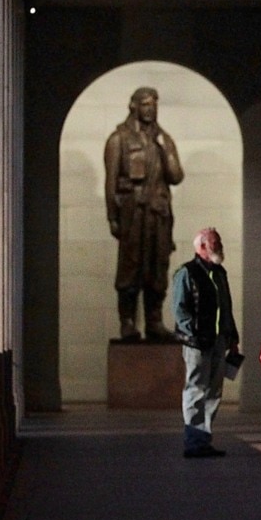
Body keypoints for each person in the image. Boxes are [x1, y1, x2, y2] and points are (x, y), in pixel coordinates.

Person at [104, 86, 185, 341]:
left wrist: (166, 148)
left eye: (154, 105)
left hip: (159, 214)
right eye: (147, 104)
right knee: (130, 268)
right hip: (133, 214)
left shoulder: (164, 139)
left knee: (158, 267)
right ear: (134, 106)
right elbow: (110, 182)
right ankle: (127, 322)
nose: (151, 109)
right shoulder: (119, 139)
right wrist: (112, 217)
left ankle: (154, 321)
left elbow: (176, 176)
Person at [172, 227, 240, 458]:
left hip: (219, 341)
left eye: (219, 242)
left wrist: (232, 337)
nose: (220, 246)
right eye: (215, 242)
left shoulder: (219, 273)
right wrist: (195, 334)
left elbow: (226, 307)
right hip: (197, 344)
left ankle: (203, 439)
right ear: (201, 246)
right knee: (196, 389)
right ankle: (194, 441)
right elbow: (180, 310)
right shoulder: (187, 273)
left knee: (214, 391)